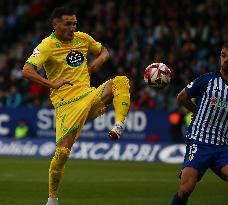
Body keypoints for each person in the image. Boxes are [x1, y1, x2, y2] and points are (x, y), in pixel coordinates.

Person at [22, 7, 130, 205]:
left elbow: (105, 50)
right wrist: (52, 84)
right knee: (62, 154)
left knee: (120, 81)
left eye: (74, 24)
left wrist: (99, 61)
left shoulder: (82, 38)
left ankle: (119, 124)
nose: (73, 28)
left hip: (88, 96)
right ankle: (52, 199)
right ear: (55, 25)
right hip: (66, 105)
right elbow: (27, 70)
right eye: (68, 24)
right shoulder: (47, 46)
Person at [171, 43, 228, 205]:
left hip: (222, 146)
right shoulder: (208, 80)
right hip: (199, 142)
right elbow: (182, 97)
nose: (226, 60)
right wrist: (197, 111)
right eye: (223, 55)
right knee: (185, 190)